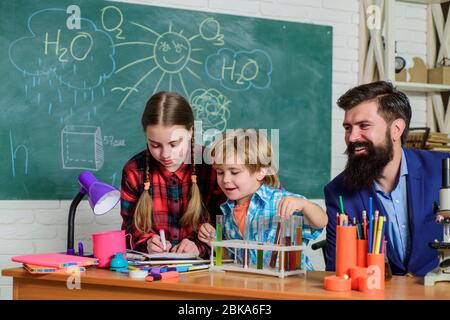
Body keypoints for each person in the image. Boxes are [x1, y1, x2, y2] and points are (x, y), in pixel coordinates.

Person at [324, 81, 447, 276]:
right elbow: (336, 271)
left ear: (396, 129)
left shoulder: (444, 169)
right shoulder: (338, 191)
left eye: (364, 126)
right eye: (348, 128)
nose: (352, 137)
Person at [197, 129, 328, 268]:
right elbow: (234, 258)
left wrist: (304, 205)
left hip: (292, 285)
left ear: (261, 171)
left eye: (234, 172)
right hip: (256, 285)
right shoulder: (227, 212)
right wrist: (214, 242)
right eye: (220, 172)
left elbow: (321, 222)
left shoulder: (280, 201)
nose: (225, 179)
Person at [120, 91, 225, 258]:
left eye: (174, 144)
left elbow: (231, 226)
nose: (165, 154)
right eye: (155, 145)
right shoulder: (134, 171)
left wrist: (199, 247)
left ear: (190, 132)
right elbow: (128, 231)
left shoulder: (214, 166)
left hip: (205, 273)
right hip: (154, 273)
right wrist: (146, 244)